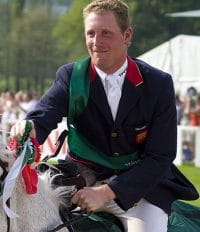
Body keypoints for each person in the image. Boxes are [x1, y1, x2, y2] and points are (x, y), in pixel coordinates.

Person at [10, 0, 199, 232]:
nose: (96, 42)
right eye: (90, 33)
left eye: (106, 33)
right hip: (79, 180)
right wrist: (29, 128)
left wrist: (106, 193)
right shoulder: (70, 76)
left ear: (127, 35)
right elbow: (43, 116)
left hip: (140, 192)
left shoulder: (158, 84)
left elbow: (161, 156)